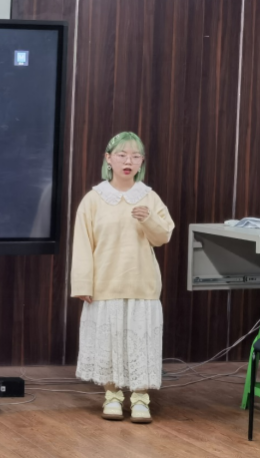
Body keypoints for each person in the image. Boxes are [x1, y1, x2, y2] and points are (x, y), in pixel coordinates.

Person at [71, 131, 174, 424]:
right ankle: (112, 396)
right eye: (122, 155)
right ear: (109, 159)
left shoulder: (149, 197)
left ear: (142, 162)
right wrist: (82, 284)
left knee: (140, 343)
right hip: (105, 285)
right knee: (110, 344)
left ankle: (141, 399)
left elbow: (163, 236)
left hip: (142, 284)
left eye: (135, 156)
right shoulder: (94, 199)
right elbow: (82, 244)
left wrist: (148, 218)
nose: (128, 162)